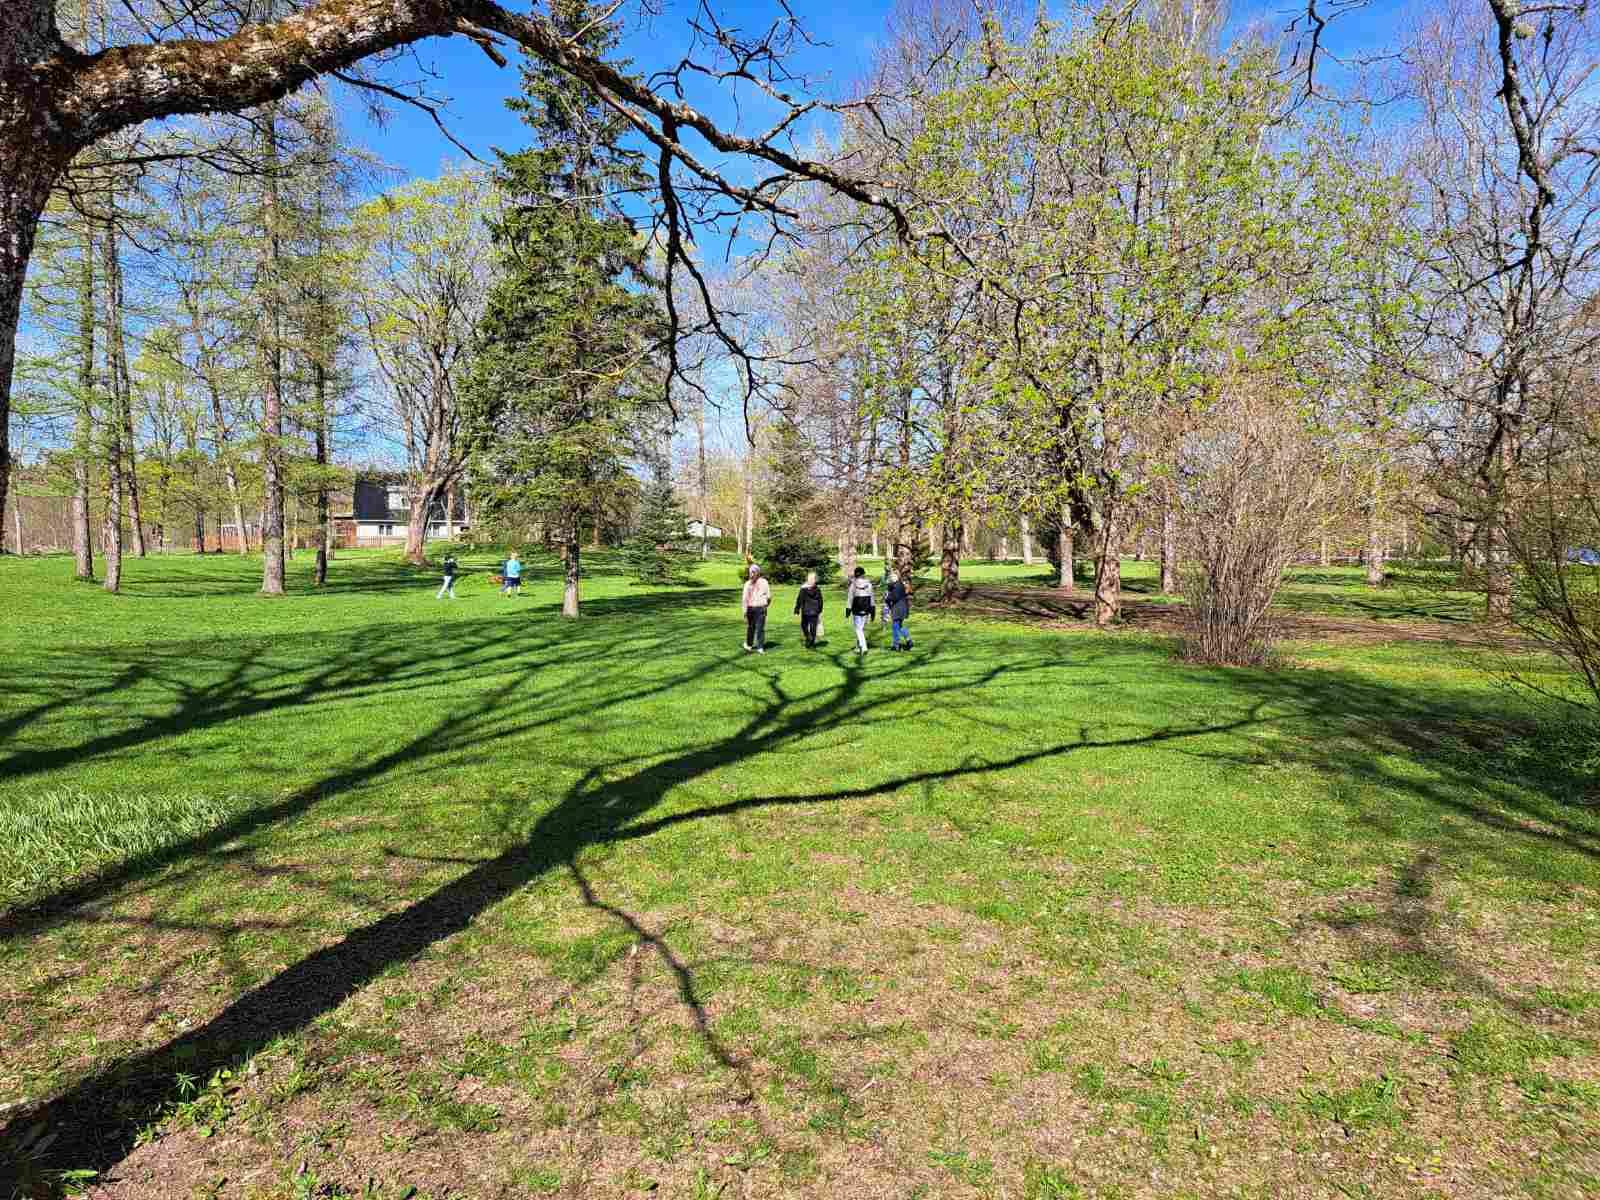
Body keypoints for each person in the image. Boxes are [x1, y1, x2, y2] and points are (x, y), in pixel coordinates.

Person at [845, 565, 875, 654]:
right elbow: (872, 598)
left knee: (858, 629)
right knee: (861, 628)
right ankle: (858, 647)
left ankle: (864, 647)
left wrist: (848, 609)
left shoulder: (853, 585)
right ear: (863, 574)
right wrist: (873, 610)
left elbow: (850, 598)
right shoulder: (869, 585)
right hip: (866, 607)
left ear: (855, 575)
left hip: (856, 608)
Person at [742, 563, 771, 653]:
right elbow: (768, 597)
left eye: (752, 572)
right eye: (751, 572)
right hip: (754, 608)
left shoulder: (760, 582)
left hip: (756, 608)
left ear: (757, 572)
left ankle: (753, 645)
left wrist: (744, 611)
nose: (751, 574)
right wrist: (745, 611)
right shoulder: (751, 583)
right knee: (756, 628)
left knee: (754, 628)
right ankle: (756, 646)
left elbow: (768, 596)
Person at [793, 571, 824, 648]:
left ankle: (808, 638)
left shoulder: (803, 589)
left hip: (806, 611)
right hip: (814, 611)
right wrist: (820, 610)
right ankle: (811, 641)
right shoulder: (817, 589)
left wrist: (796, 610)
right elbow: (820, 600)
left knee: (804, 625)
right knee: (813, 627)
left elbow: (799, 600)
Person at [885, 569, 912, 650]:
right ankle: (908, 640)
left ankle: (896, 645)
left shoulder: (898, 586)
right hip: (901, 608)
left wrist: (887, 597)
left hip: (898, 608)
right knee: (899, 626)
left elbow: (895, 597)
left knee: (895, 626)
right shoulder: (897, 585)